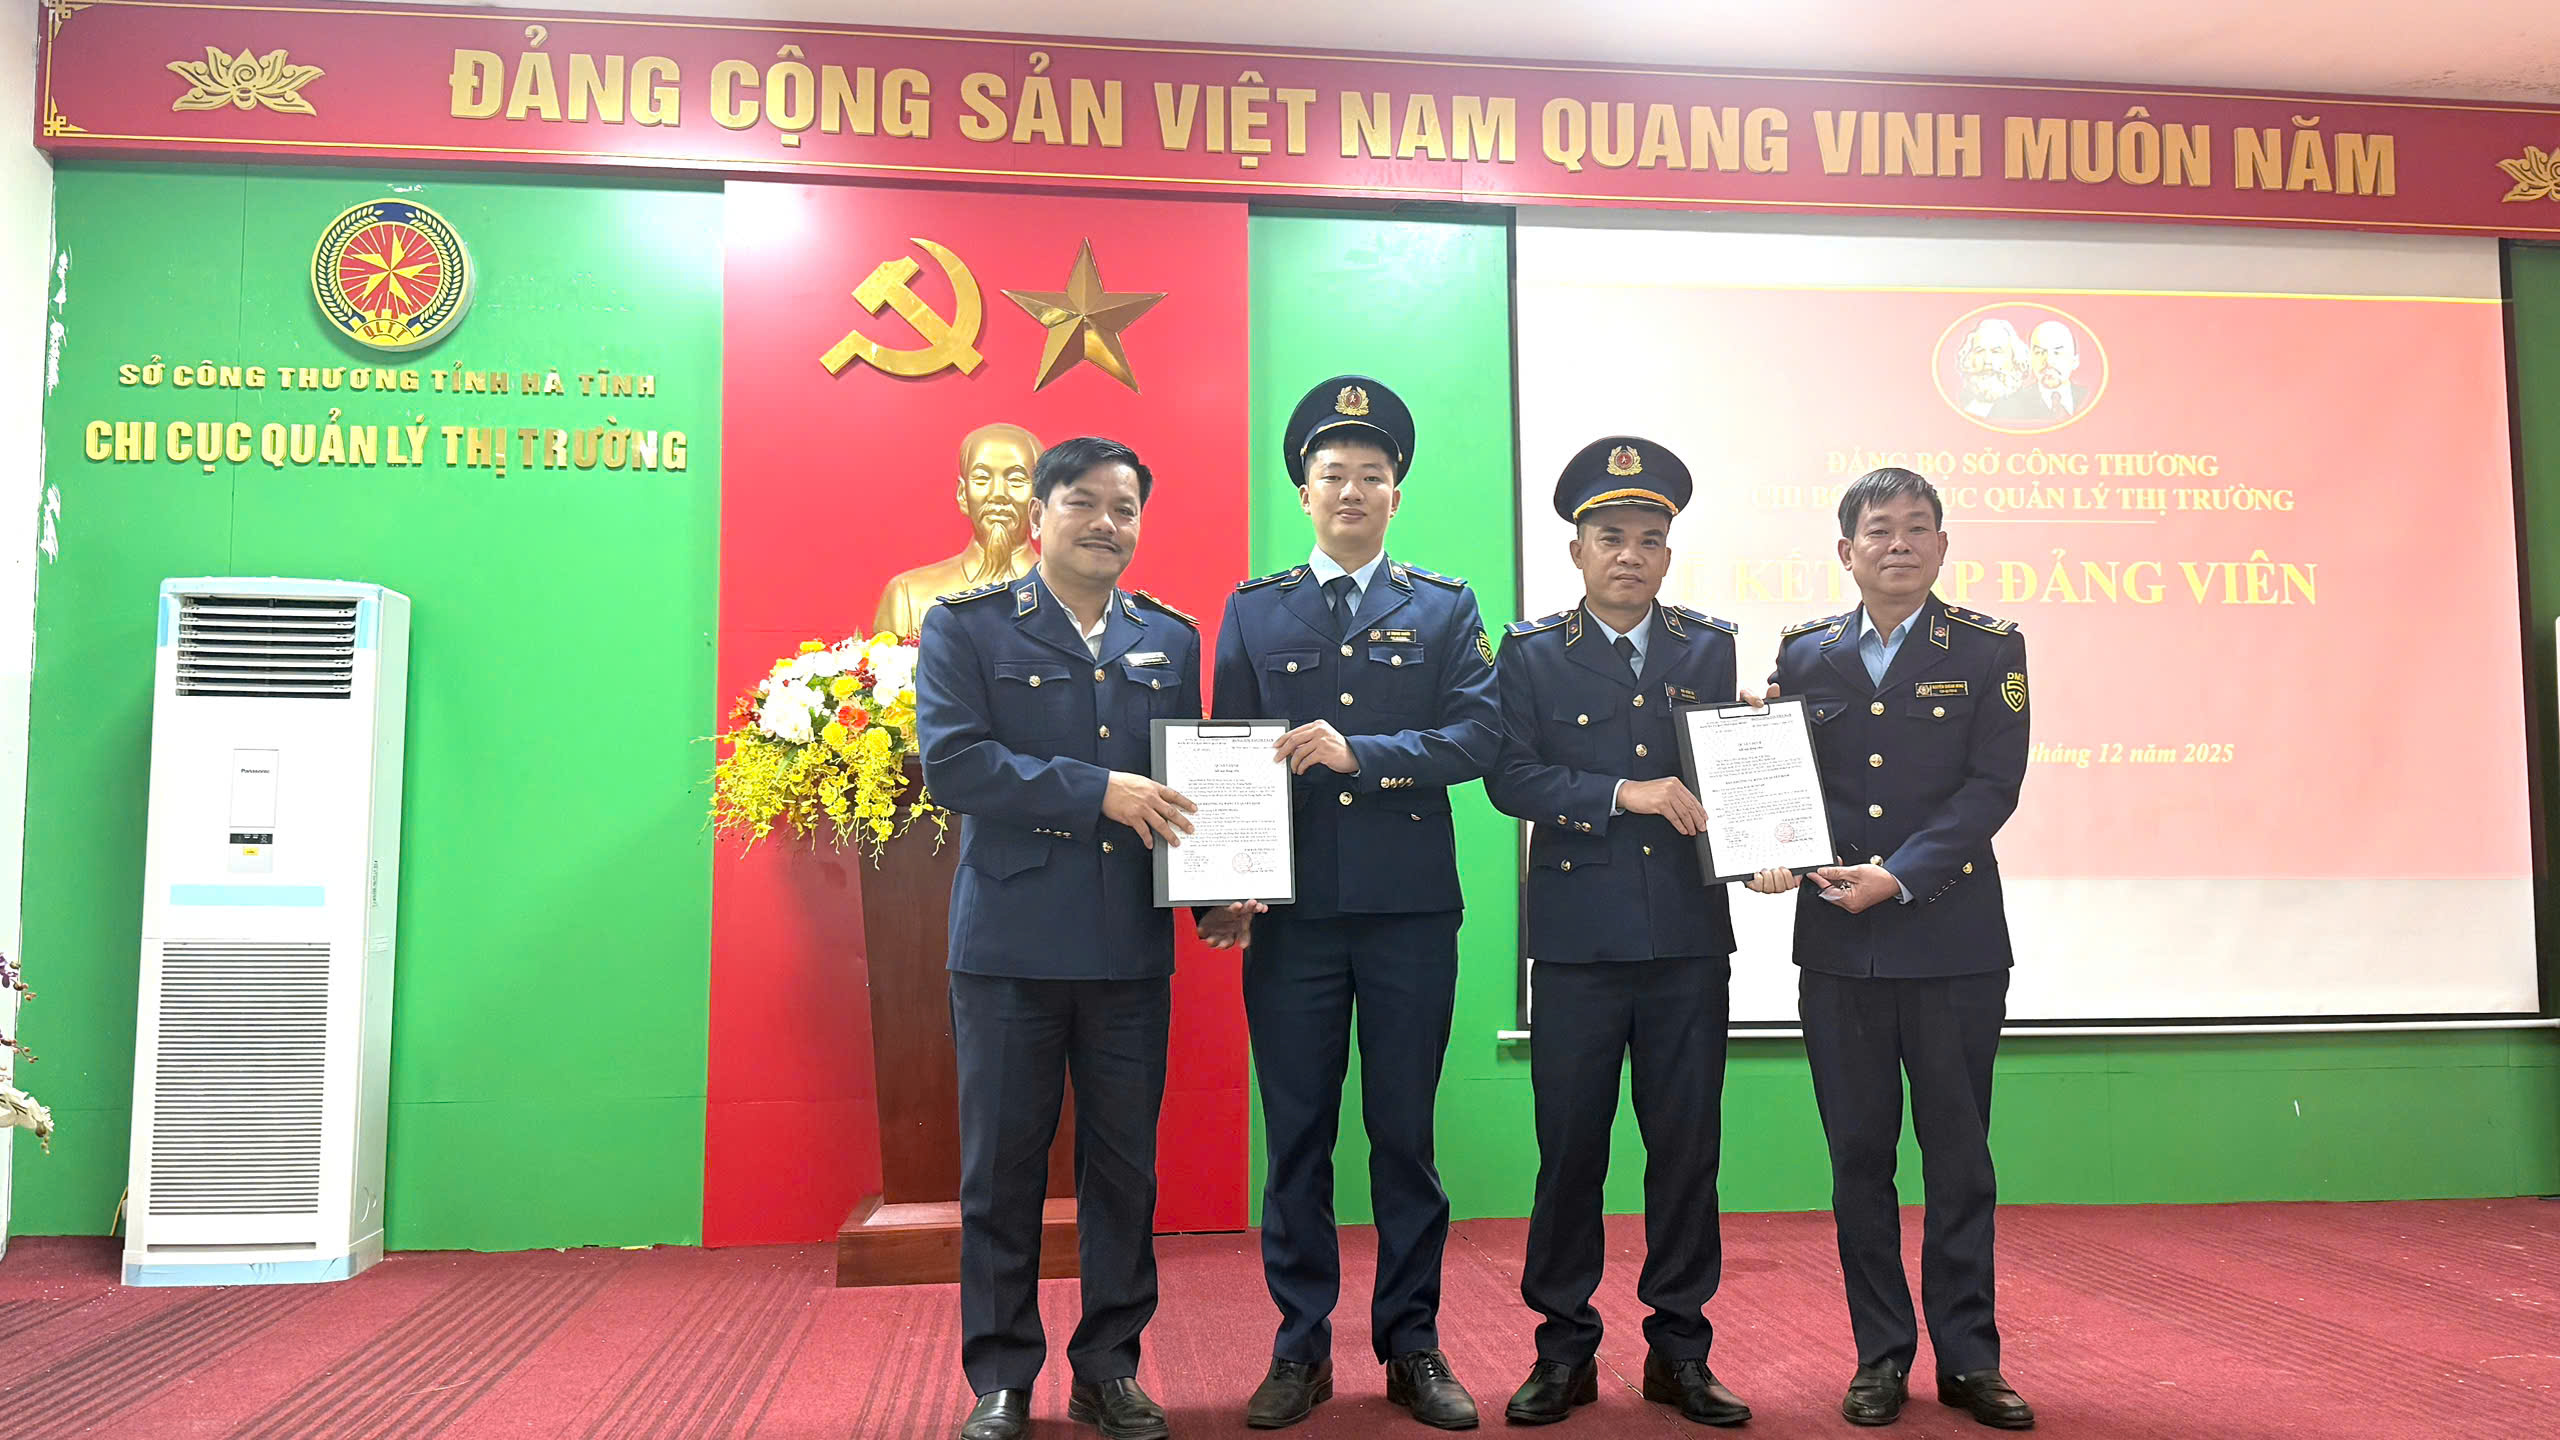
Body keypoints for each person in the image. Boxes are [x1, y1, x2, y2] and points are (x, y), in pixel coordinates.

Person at [1198, 375, 1503, 1431]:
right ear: (1304, 491)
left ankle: (1412, 1346)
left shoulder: (1445, 606)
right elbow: (1227, 756)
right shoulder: (1255, 607)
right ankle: (1299, 1348)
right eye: (1333, 474)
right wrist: (1223, 888)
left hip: (1409, 911)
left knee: (1404, 1137)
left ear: (1395, 493)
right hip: (1291, 920)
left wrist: (1358, 754)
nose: (1352, 491)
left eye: (1372, 475)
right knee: (1297, 1137)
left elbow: (1478, 738)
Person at [917, 435, 1206, 1440]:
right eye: (1083, 502)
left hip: (1129, 949)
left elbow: (1189, 785)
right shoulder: (966, 627)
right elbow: (954, 765)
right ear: (1039, 515)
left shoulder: (1170, 638)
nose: (1105, 524)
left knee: (1124, 1173)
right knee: (1002, 1171)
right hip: (1009, 948)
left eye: (1124, 508)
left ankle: (1108, 1369)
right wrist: (1097, 792)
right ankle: (1000, 1377)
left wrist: (1218, 893)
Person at [1744, 466, 2035, 1431]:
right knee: (1858, 1160)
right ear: (1847, 550)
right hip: (1839, 948)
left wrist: (1900, 876)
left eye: (1917, 528)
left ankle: (1971, 1361)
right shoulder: (1806, 654)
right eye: (1879, 529)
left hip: (1952, 943)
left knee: (1960, 1162)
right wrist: (1766, 835)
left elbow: (1992, 788)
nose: (1898, 543)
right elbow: (1785, 782)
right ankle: (1880, 1355)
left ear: (1942, 547)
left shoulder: (1990, 648)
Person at [1484, 438, 1752, 1429]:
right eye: (1610, 538)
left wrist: (1765, 827)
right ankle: (1563, 1349)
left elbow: (1733, 772)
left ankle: (1681, 1351)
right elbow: (1509, 777)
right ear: (1577, 552)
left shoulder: (1708, 646)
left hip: (1687, 940)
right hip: (1578, 946)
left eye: (1648, 539)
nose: (1629, 555)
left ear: (1668, 555)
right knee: (1570, 1153)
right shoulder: (1529, 653)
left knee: (1686, 1152)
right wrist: (1620, 793)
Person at [876, 422, 1042, 639]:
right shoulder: (908, 596)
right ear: (963, 494)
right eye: (982, 479)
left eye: (1016, 480)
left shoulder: (1073, 597)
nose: (998, 494)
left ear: (1039, 498)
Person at [2024, 321, 2087, 420]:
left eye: (2057, 353)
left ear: (2075, 361)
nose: (2049, 361)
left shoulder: (2087, 396)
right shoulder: (2014, 402)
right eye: (2039, 353)